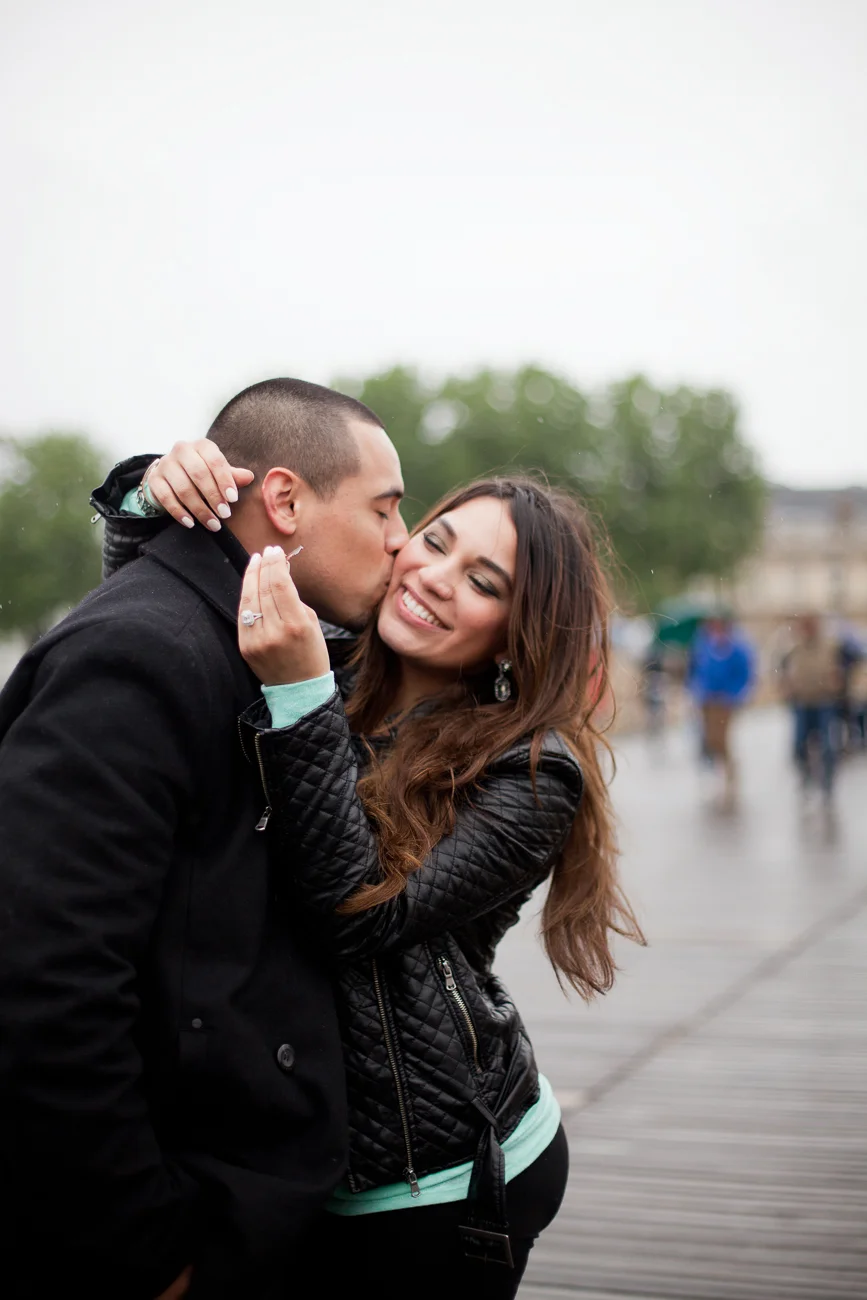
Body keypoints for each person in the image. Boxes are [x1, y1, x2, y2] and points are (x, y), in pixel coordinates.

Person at [107, 443, 644, 1299]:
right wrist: (153, 496)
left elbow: (359, 914)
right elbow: (168, 624)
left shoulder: (532, 773)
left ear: (517, 635)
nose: (435, 578)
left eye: (483, 583)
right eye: (435, 542)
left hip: (433, 1178)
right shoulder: (317, 652)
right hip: (286, 1159)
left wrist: (299, 698)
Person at [0, 379, 408, 1299]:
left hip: (251, 1198)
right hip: (172, 1227)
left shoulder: (259, 637)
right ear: (285, 500)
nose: (400, 538)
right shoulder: (138, 653)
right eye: (384, 508)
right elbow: (44, 977)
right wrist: (145, 1246)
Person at [687, 616, 754, 809]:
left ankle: (729, 775)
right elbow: (694, 671)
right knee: (710, 740)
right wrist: (696, 690)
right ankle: (718, 773)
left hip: (725, 702)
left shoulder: (736, 648)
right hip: (706, 700)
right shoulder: (703, 646)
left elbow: (743, 674)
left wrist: (734, 694)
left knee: (721, 740)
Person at [779, 614, 843, 800]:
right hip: (802, 702)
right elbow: (783, 671)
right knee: (799, 744)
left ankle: (827, 783)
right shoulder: (793, 649)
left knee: (828, 745)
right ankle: (805, 774)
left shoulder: (830, 647)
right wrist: (787, 688)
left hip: (824, 701)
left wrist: (837, 683)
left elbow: (842, 670)